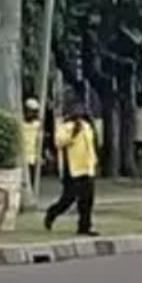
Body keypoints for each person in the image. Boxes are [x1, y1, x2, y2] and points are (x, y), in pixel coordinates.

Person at [45, 99, 99, 235]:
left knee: (87, 199)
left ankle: (85, 226)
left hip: (87, 167)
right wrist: (73, 133)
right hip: (72, 169)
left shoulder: (87, 126)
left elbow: (91, 145)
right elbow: (59, 143)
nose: (79, 116)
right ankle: (52, 213)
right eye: (76, 113)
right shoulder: (65, 127)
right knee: (68, 198)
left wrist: (94, 161)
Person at [21, 97, 43, 186]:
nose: (31, 113)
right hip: (21, 155)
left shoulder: (37, 124)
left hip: (32, 157)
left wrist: (39, 155)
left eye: (33, 111)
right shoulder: (20, 122)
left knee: (31, 180)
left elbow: (38, 140)